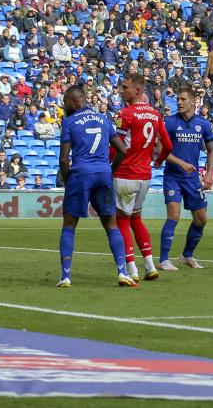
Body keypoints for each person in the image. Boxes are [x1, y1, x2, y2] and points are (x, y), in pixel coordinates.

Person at [57, 84, 135, 288]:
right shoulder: (104, 119)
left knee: (69, 225)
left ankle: (65, 276)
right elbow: (123, 150)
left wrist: (68, 182)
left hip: (81, 175)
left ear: (75, 100)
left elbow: (64, 159)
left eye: (65, 101)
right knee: (111, 225)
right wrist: (110, 170)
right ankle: (122, 272)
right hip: (102, 173)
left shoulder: (69, 122)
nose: (64, 106)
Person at [113, 72, 172, 282]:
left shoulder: (125, 114)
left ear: (137, 90)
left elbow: (116, 146)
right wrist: (159, 160)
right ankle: (149, 265)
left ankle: (132, 270)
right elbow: (168, 145)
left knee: (121, 220)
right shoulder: (155, 115)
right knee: (136, 219)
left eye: (125, 87)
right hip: (145, 175)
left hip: (125, 174)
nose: (122, 90)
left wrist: (109, 166)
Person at [155, 84, 213, 270]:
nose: (179, 102)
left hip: (193, 179)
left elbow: (211, 150)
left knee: (201, 219)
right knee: (173, 216)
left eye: (182, 99)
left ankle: (187, 255)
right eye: (178, 99)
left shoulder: (203, 124)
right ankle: (164, 260)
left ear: (192, 101)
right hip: (173, 177)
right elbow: (161, 151)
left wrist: (210, 173)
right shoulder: (170, 122)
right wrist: (181, 163)